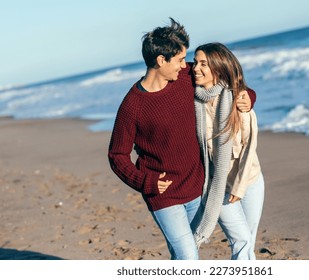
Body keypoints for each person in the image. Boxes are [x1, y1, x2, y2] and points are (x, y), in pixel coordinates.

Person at [108, 19, 256, 260]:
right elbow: (117, 155)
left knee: (187, 255)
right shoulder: (132, 106)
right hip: (164, 195)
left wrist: (247, 96)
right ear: (161, 60)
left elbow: (227, 82)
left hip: (197, 186)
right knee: (188, 257)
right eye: (179, 59)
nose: (184, 65)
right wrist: (146, 181)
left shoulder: (186, 76)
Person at [193, 42, 265, 260]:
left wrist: (241, 186)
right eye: (195, 62)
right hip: (217, 186)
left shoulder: (239, 99)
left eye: (203, 64)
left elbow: (249, 147)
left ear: (218, 67)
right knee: (241, 242)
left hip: (249, 180)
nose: (196, 68)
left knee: (248, 242)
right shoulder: (191, 100)